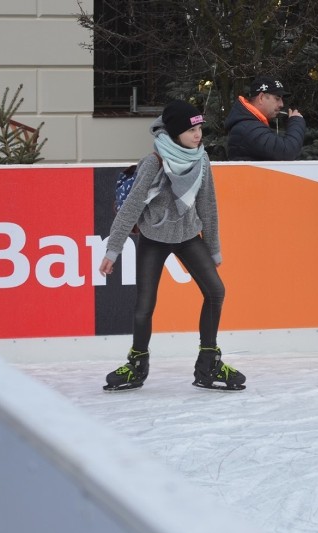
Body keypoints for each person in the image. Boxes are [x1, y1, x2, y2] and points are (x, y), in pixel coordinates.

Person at [100, 100, 246, 392]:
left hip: (189, 235)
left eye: (199, 127)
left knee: (216, 290)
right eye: (191, 128)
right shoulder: (154, 162)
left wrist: (213, 247)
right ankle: (137, 365)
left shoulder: (201, 159)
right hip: (154, 238)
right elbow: (131, 207)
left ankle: (208, 364)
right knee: (145, 304)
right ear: (176, 131)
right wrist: (112, 250)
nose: (198, 134)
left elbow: (207, 204)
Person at [224, 76, 306, 161]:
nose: (281, 104)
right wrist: (296, 121)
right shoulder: (249, 128)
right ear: (261, 98)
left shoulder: (248, 125)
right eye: (277, 98)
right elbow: (287, 151)